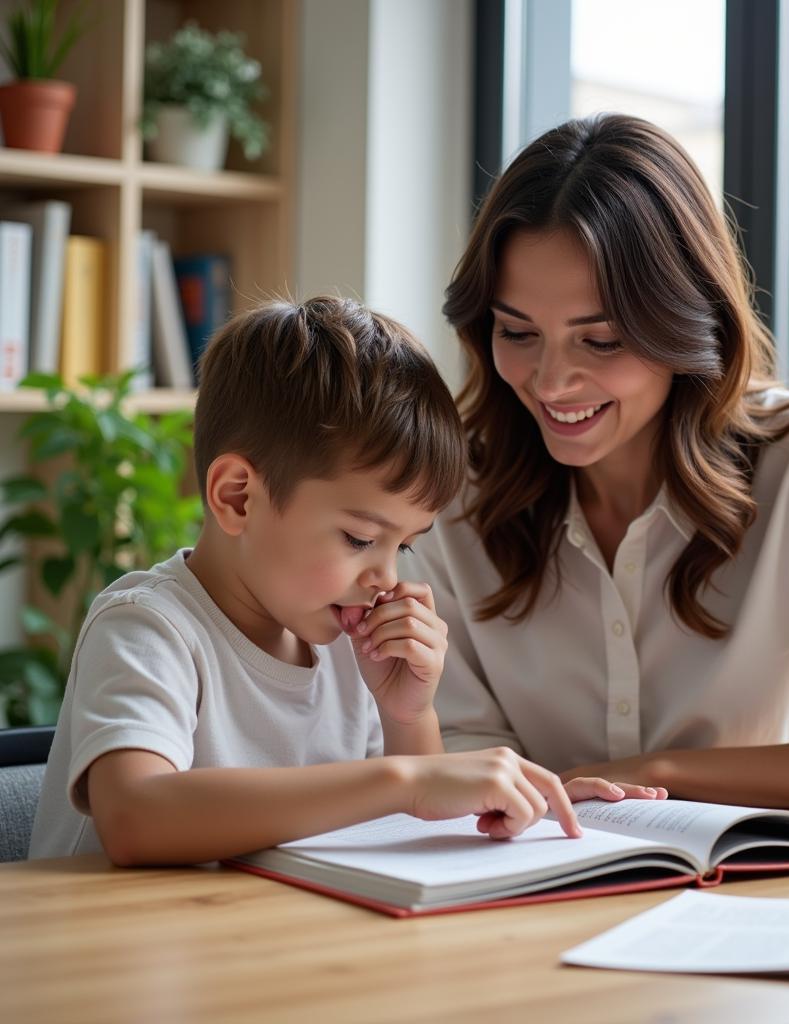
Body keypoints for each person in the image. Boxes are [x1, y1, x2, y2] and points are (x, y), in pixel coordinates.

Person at [414, 113, 789, 811]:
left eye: (599, 341)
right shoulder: (455, 495)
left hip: (768, 906)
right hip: (539, 906)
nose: (549, 381)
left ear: (685, 325)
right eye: (518, 332)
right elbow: (456, 758)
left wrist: (662, 772)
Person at [30, 296, 661, 865]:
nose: (385, 578)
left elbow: (409, 823)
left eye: (405, 546)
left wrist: (409, 715)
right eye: (361, 539)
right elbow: (137, 817)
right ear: (238, 497)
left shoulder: (340, 648)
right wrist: (405, 781)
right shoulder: (150, 626)